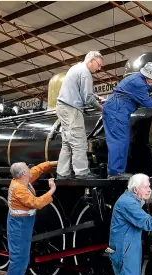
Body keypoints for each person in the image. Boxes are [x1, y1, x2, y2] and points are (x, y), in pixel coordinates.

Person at [102, 62, 152, 180]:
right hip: (117, 111)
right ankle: (115, 173)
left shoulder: (137, 78)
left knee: (122, 140)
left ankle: (118, 171)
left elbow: (143, 86)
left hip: (118, 110)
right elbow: (149, 103)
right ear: (147, 75)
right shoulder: (138, 83)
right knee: (119, 141)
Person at [3, 161, 57, 275]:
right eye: (27, 168)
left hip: (23, 223)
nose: (29, 169)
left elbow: (37, 170)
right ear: (23, 174)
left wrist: (53, 163)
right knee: (18, 258)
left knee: (23, 257)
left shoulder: (22, 179)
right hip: (19, 225)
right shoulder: (19, 188)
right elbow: (36, 203)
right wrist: (51, 190)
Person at [56, 51, 104, 180]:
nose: (99, 68)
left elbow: (83, 91)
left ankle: (62, 173)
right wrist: (102, 109)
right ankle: (82, 172)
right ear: (91, 60)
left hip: (63, 107)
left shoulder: (76, 68)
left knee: (67, 142)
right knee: (79, 141)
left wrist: (96, 96)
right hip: (71, 109)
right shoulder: (85, 73)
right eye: (98, 65)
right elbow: (87, 98)